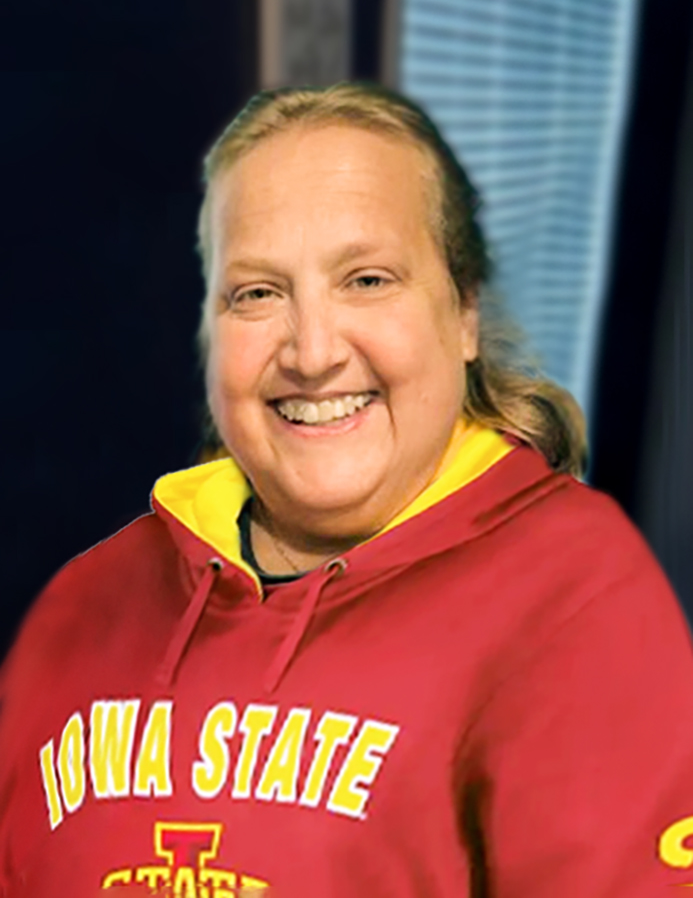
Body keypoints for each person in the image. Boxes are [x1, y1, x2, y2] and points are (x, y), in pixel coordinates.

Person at [1, 82, 693, 898]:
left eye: (366, 279)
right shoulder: (89, 600)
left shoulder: (576, 602)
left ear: (463, 314)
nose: (312, 352)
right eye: (257, 293)